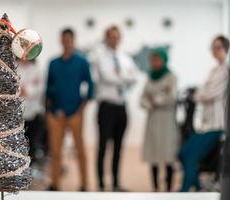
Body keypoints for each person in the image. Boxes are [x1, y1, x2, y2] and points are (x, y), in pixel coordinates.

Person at [179, 35, 229, 192]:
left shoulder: (226, 71)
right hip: (205, 124)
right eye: (213, 47)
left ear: (226, 49)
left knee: (189, 155)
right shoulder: (214, 70)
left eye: (218, 47)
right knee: (183, 152)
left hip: (216, 125)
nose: (215, 50)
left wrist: (196, 95)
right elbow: (204, 92)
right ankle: (198, 187)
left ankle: (185, 191)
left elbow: (208, 94)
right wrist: (199, 94)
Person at [45, 28, 94, 191]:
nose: (66, 41)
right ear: (61, 40)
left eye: (69, 39)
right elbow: (48, 90)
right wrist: (50, 110)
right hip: (55, 115)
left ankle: (84, 184)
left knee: (80, 150)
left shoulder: (82, 62)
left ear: (73, 40)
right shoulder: (53, 63)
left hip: (75, 114)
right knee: (55, 151)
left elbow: (89, 88)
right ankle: (55, 184)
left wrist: (81, 110)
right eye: (63, 39)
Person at [90, 25, 137, 191]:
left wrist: (121, 77)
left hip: (121, 107)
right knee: (103, 147)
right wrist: (125, 77)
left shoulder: (124, 58)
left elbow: (135, 77)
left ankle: (116, 183)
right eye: (111, 36)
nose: (114, 39)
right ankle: (101, 184)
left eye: (117, 36)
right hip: (106, 107)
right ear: (106, 37)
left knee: (118, 147)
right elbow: (107, 76)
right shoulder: (99, 56)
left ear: (120, 38)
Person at [140, 48, 179, 192]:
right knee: (153, 155)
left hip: (166, 120)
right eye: (153, 60)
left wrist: (155, 100)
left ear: (164, 60)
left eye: (158, 59)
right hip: (153, 119)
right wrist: (153, 101)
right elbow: (142, 99)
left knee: (168, 155)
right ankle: (155, 189)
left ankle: (169, 190)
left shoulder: (171, 76)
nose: (155, 62)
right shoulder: (150, 77)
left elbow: (172, 97)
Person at [18, 59, 46, 162]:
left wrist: (27, 90)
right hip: (18, 116)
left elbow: (40, 89)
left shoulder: (37, 70)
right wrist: (22, 90)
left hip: (34, 114)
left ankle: (30, 171)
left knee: (32, 145)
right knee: (18, 147)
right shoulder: (14, 68)